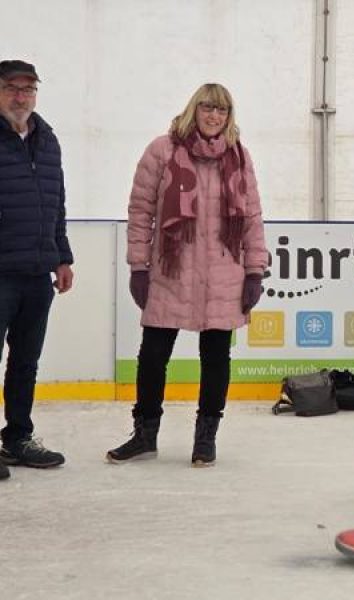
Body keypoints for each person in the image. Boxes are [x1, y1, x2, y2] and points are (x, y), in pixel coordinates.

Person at [107, 83, 268, 467]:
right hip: (170, 270)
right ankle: (144, 434)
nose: (214, 116)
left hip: (221, 272)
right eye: (208, 107)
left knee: (215, 357)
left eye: (223, 110)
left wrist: (254, 270)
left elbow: (252, 218)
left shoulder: (239, 158)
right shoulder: (162, 151)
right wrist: (138, 265)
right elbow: (140, 211)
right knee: (153, 354)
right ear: (194, 109)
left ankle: (205, 438)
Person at [0, 60, 74, 480]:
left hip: (36, 271)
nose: (21, 96)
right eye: (12, 88)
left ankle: (18, 438)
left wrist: (61, 256)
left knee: (26, 360)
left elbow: (56, 202)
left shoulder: (46, 139)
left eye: (28, 89)